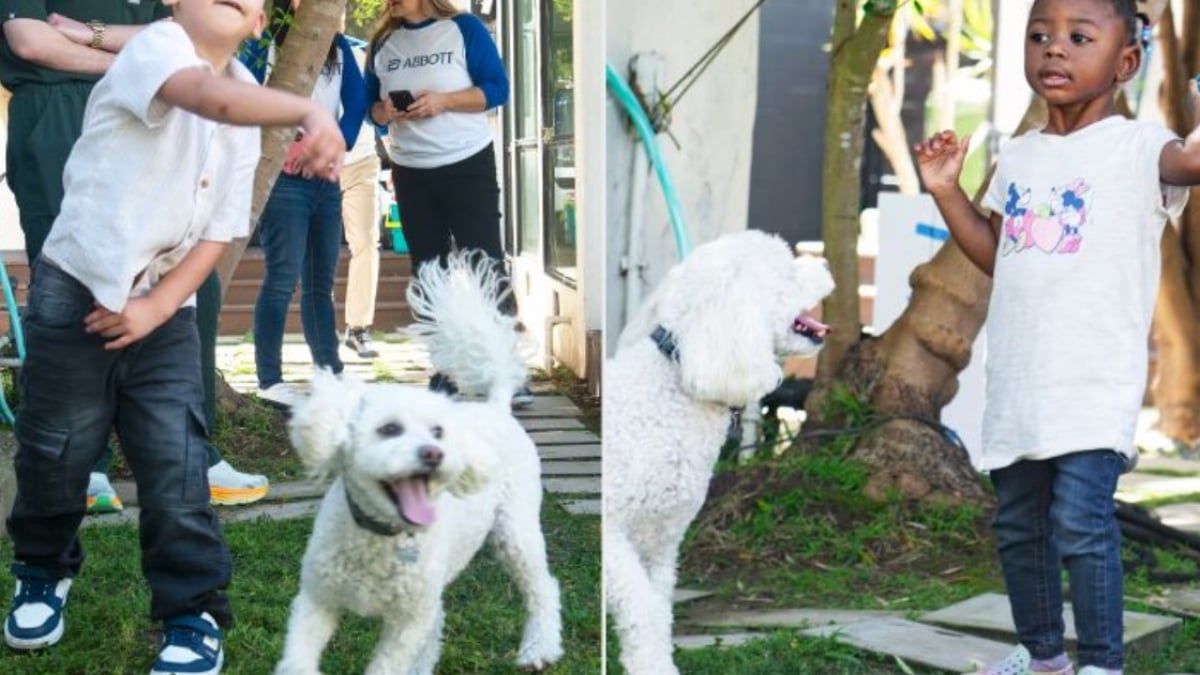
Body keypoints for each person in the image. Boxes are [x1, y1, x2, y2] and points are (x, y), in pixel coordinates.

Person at [1, 2, 344, 671]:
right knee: (56, 449)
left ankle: (191, 608)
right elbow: (202, 97)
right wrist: (305, 110)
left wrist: (156, 308)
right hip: (75, 291)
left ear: (258, 24)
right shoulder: (156, 50)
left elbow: (217, 230)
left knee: (177, 461)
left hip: (164, 309)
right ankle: (42, 568)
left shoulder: (247, 99)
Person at [914, 1, 1200, 673]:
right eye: (1039, 35)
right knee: (1019, 528)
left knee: (1078, 520)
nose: (1054, 50)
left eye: (1078, 37)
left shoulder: (1138, 147)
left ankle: (1101, 661)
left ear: (1125, 61)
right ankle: (1044, 656)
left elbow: (1190, 163)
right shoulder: (1018, 154)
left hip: (1093, 382)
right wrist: (947, 191)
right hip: (1020, 380)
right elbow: (1000, 250)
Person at [0, 1, 270, 513]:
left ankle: (194, 451)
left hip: (162, 114)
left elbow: (175, 34)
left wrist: (97, 39)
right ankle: (83, 464)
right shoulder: (153, 62)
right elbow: (32, 42)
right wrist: (145, 61)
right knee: (75, 288)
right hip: (57, 110)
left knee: (191, 281)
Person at [365, 0, 532, 407]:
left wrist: (444, 101)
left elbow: (497, 89)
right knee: (427, 269)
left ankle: (508, 371)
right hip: (411, 170)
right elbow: (371, 111)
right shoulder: (383, 41)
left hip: (467, 162)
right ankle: (445, 369)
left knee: (485, 264)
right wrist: (385, 111)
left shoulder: (465, 28)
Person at [241, 4, 367, 408]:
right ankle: (269, 380)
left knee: (320, 283)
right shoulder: (266, 43)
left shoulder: (339, 46)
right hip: (284, 179)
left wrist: (337, 142)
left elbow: (358, 101)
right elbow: (246, 97)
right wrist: (291, 143)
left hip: (326, 179)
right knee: (281, 278)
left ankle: (330, 369)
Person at [342, 40, 384, 360]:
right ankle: (319, 334)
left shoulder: (363, 52)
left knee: (367, 243)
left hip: (361, 162)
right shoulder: (287, 50)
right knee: (317, 250)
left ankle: (358, 328)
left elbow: (378, 111)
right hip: (312, 164)